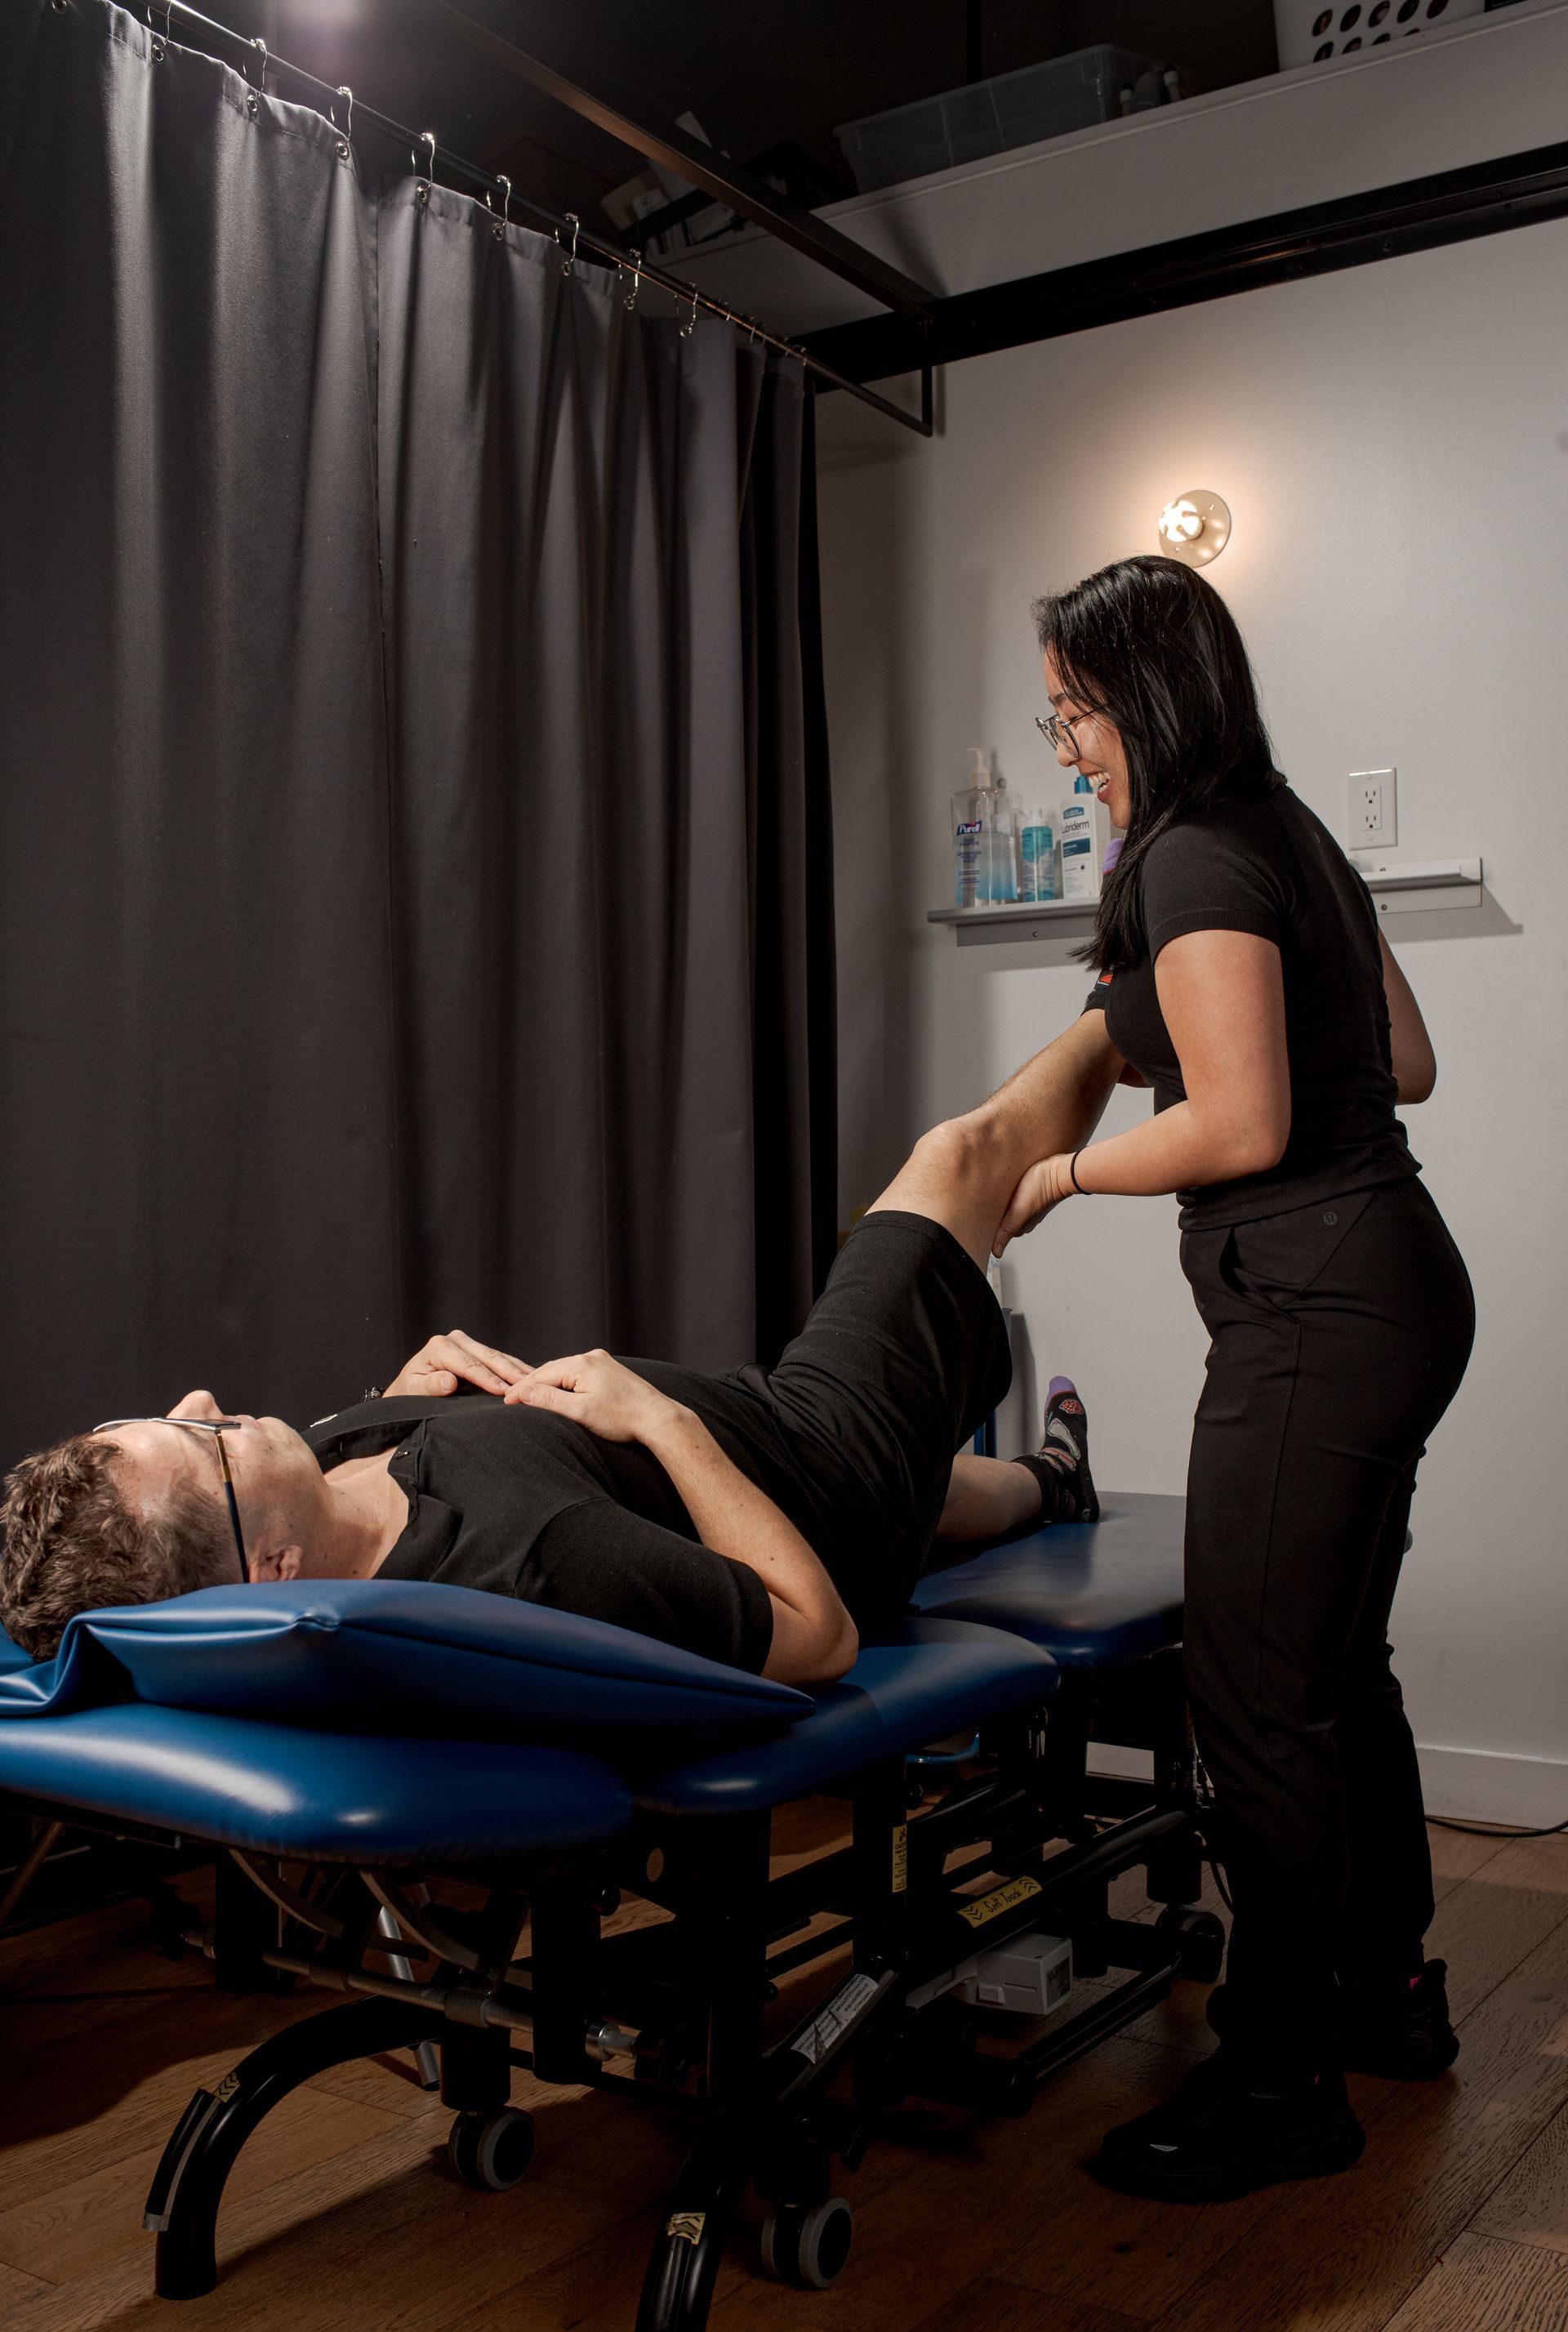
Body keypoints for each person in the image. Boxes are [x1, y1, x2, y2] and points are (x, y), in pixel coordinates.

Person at [983, 553, 1474, 2203]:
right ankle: (1388, 1997)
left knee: (1255, 1701)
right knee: (1338, 1674)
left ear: (1145, 696)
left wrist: (1057, 1180)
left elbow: (1243, 1128)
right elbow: (1403, 1061)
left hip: (1320, 1310)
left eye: (1078, 711)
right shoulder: (1287, 835)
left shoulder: (1196, 851)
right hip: (1392, 1284)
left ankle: (1281, 2081)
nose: (1066, 745)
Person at [0, 1113, 1103, 1684]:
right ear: (272, 1571)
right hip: (820, 1473)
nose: (202, 1397)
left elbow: (388, 1504)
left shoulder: (320, 1537)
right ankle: (1133, 990)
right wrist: (668, 1425)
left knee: (964, 1490)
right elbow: (818, 1641)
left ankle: (1054, 1481)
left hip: (779, 1450)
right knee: (965, 1153)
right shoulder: (530, 1549)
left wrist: (400, 1408)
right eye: (207, 1444)